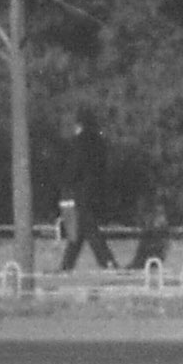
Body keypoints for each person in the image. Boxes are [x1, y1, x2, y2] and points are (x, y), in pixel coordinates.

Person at [59, 114, 118, 272]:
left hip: (79, 192)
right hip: (95, 190)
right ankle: (66, 265)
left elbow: (73, 168)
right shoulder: (98, 142)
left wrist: (65, 180)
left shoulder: (79, 143)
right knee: (79, 230)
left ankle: (108, 262)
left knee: (88, 228)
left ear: (78, 125)